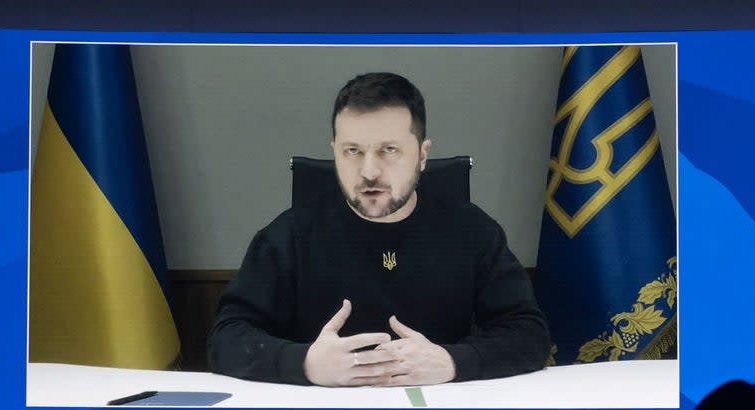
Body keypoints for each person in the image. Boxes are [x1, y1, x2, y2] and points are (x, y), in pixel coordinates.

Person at [208, 71, 550, 386]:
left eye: (389, 150)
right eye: (352, 151)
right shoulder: (288, 236)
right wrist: (305, 362)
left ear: (423, 154)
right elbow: (227, 337)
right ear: (334, 153)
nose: (369, 171)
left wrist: (452, 362)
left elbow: (529, 334)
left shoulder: (473, 231)